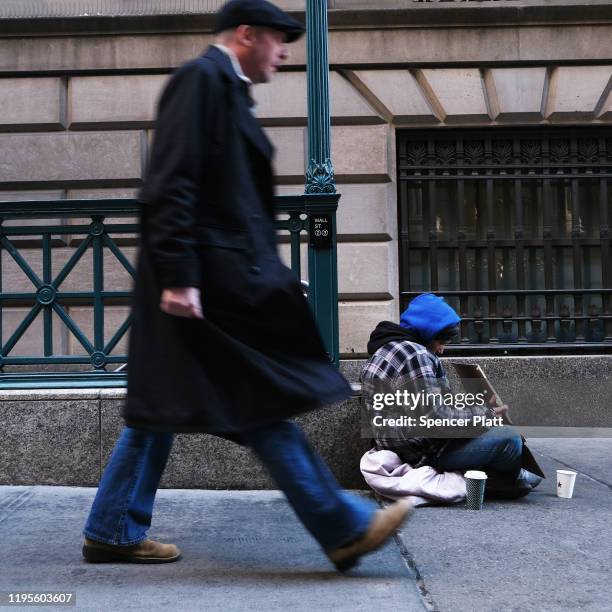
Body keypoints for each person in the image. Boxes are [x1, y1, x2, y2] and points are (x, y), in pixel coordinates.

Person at [82, 0, 410, 572]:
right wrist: (181, 277)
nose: (284, 52)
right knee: (258, 409)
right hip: (199, 292)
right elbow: (171, 182)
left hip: (212, 287)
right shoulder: (200, 80)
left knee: (158, 410)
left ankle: (111, 528)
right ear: (246, 34)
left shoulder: (226, 90)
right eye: (278, 40)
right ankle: (343, 529)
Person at [361, 293, 542, 498]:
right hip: (420, 452)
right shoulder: (415, 355)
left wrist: (471, 406)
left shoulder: (387, 348)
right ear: (428, 333)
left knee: (503, 441)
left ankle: (500, 478)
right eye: (441, 340)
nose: (442, 349)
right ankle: (486, 483)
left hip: (402, 443)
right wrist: (487, 415)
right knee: (510, 441)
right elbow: (437, 420)